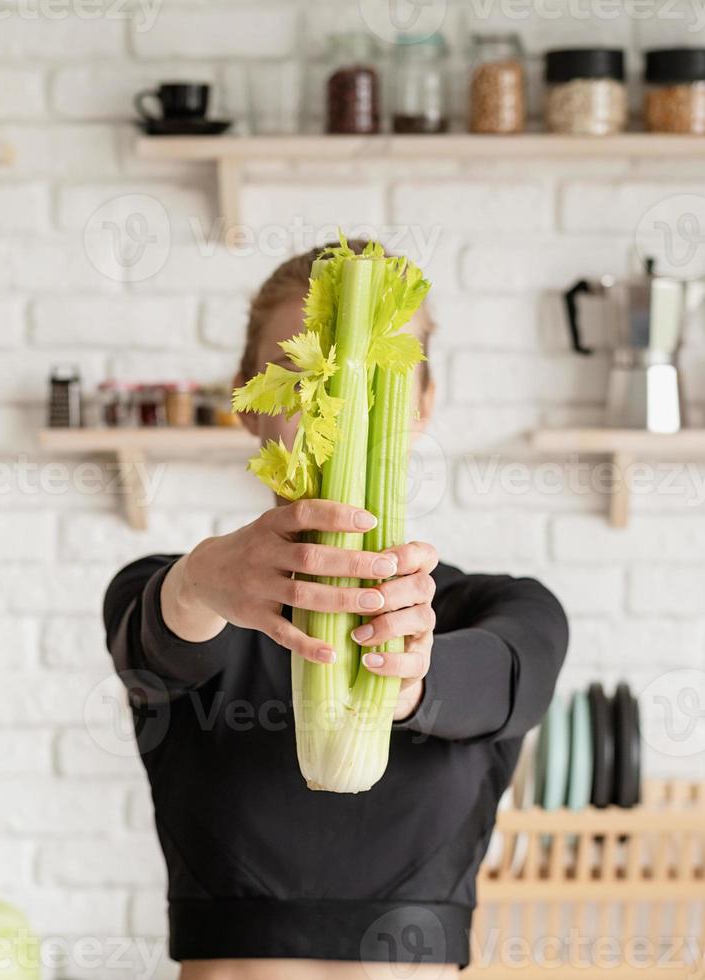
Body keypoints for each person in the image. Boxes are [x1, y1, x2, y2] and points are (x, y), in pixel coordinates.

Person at [103, 241, 569, 980]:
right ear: (248, 404)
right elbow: (153, 647)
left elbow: (516, 676)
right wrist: (194, 584)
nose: (339, 409)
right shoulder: (174, 594)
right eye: (300, 377)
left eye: (374, 381)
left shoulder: (495, 608)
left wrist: (410, 674)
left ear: (422, 402)